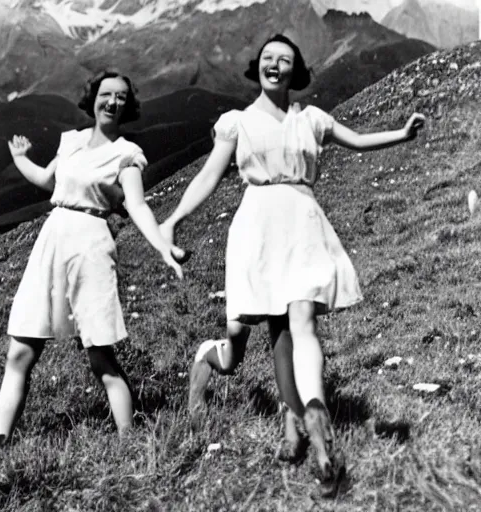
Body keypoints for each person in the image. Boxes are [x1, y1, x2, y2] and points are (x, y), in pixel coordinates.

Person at [161, 33, 425, 495]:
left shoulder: (312, 119)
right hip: (257, 231)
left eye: (285, 60)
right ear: (257, 67)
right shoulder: (237, 122)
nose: (276, 65)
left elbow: (358, 140)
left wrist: (402, 134)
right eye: (268, 58)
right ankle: (210, 356)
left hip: (303, 225)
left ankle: (315, 419)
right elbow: (208, 175)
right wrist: (174, 220)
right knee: (239, 344)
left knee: (299, 323)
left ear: (296, 70)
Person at [0, 70, 185, 444]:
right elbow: (49, 182)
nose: (113, 102)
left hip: (91, 246)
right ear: (93, 97)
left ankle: (129, 443)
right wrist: (20, 158)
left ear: (128, 107)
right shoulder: (70, 141)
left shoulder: (127, 154)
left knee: (100, 356)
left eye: (121, 98)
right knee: (21, 350)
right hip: (52, 240)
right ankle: (0, 442)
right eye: (106, 94)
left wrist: (163, 245)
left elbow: (137, 205)